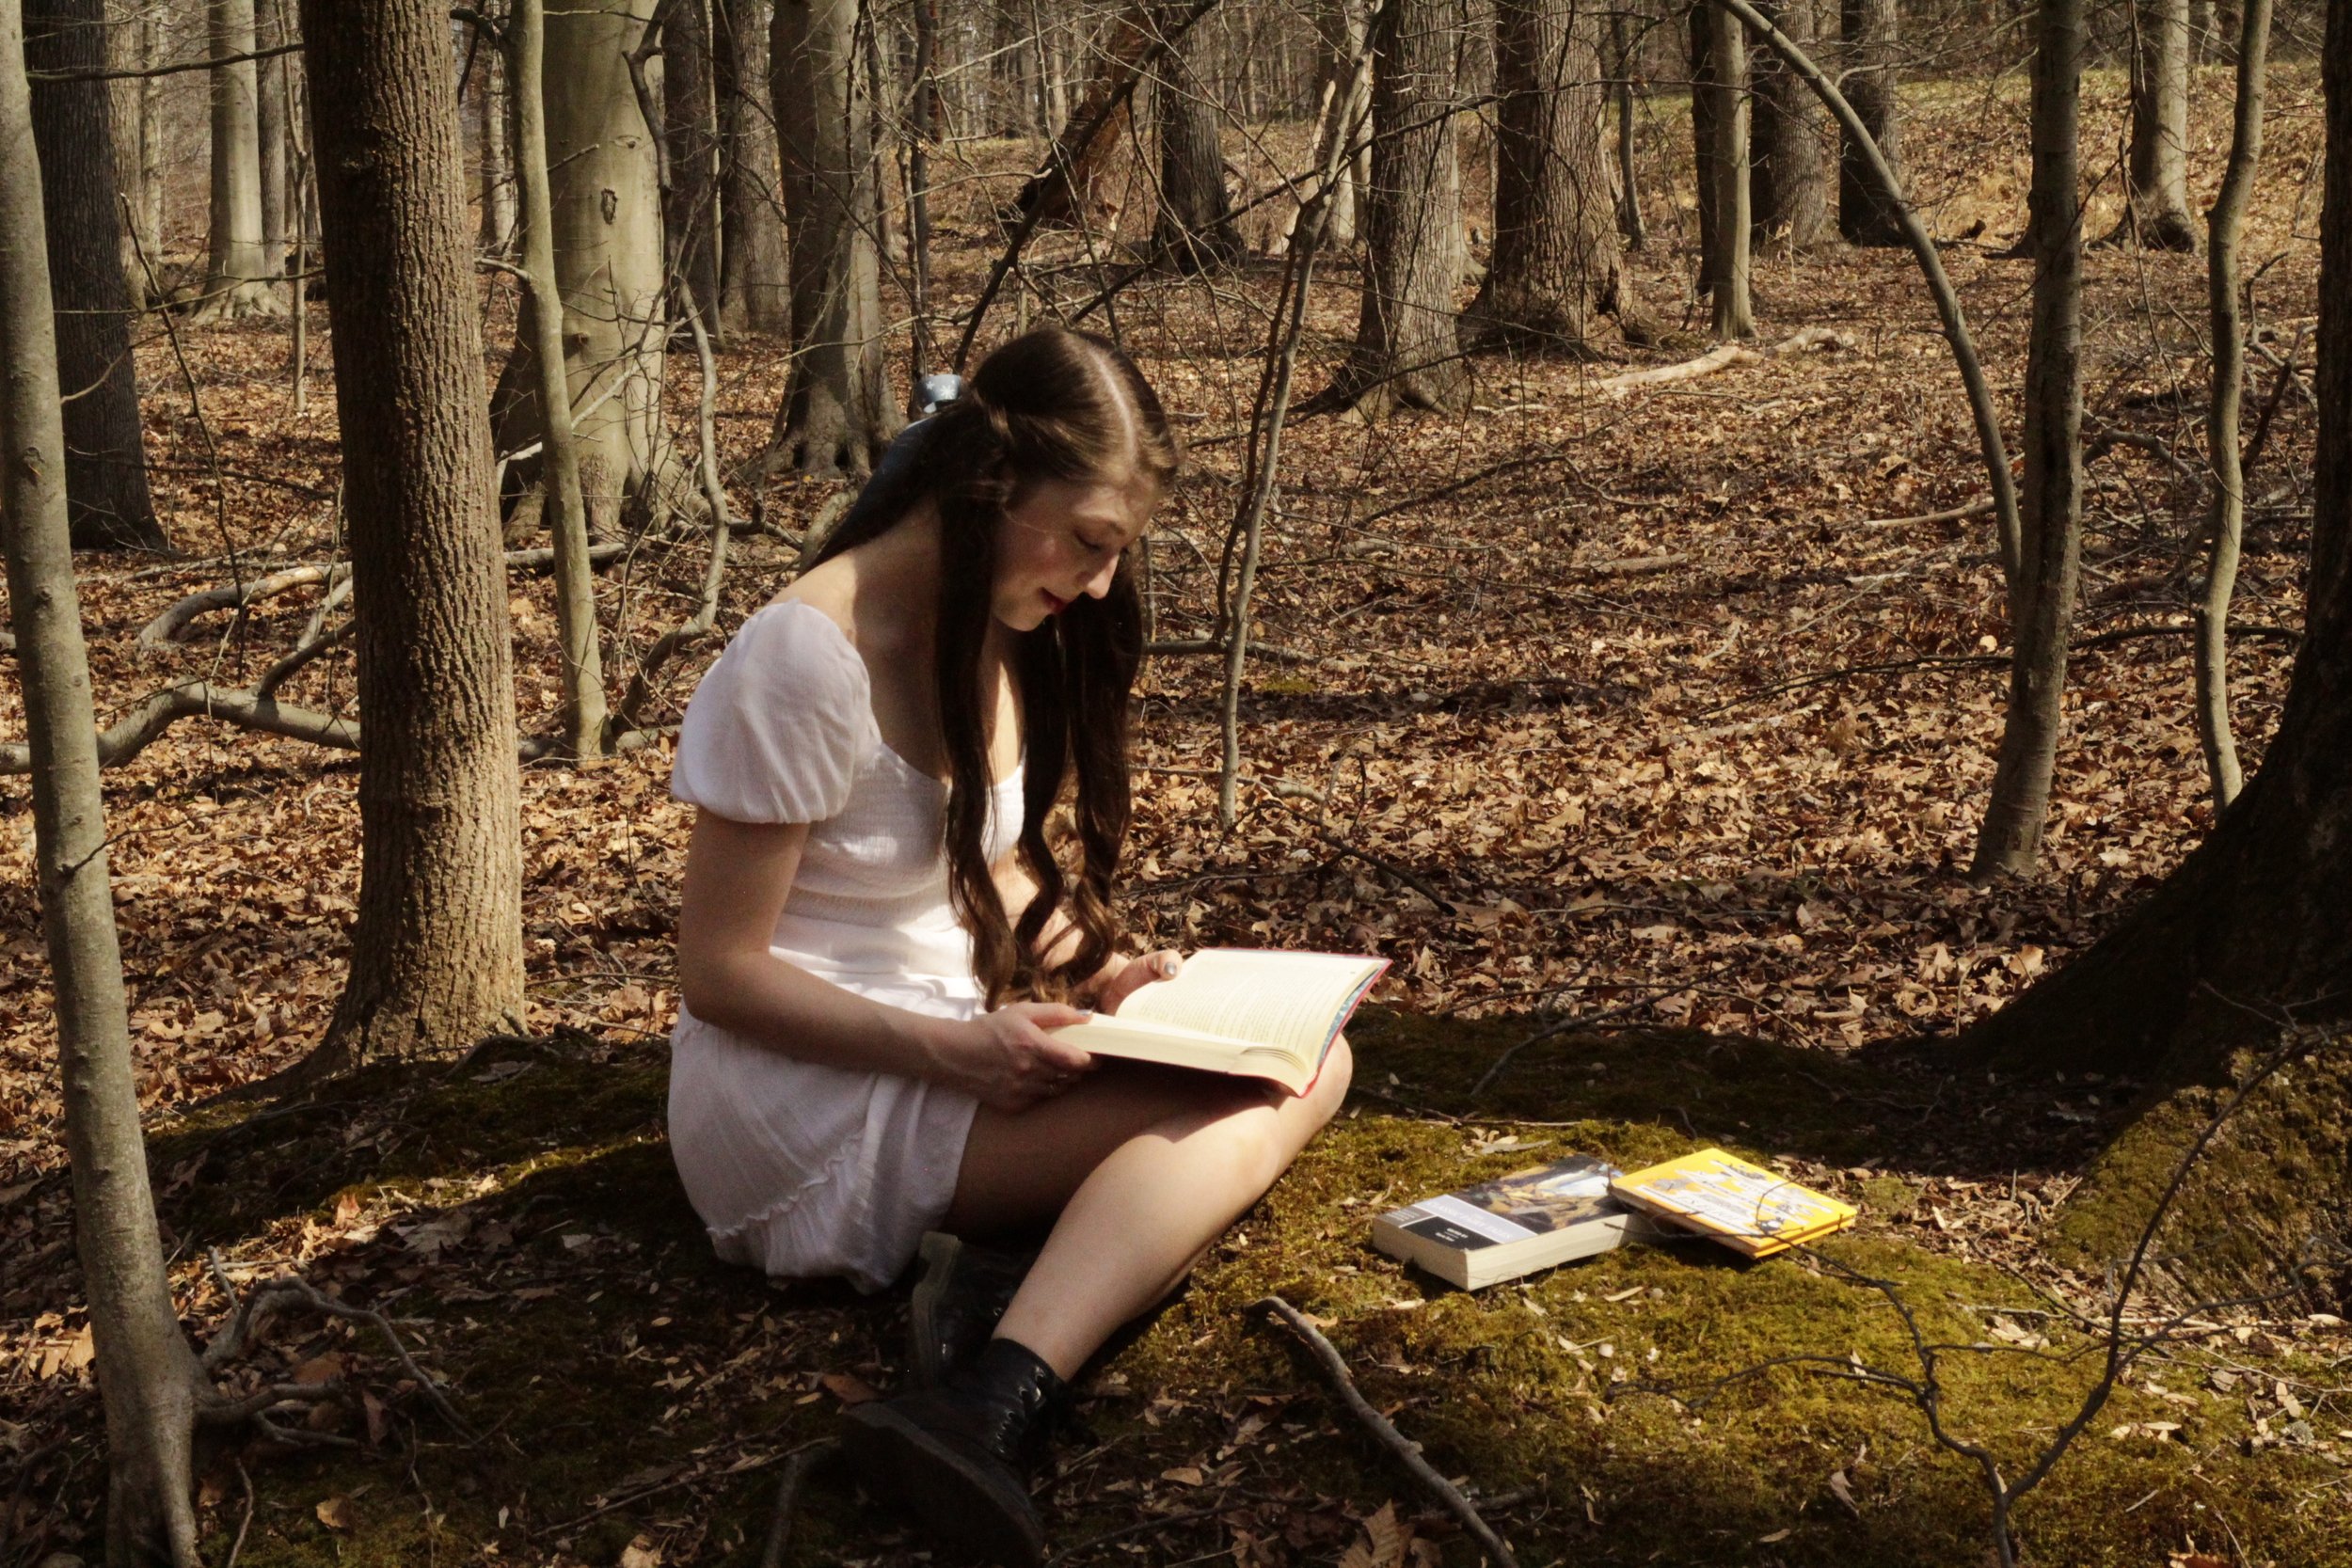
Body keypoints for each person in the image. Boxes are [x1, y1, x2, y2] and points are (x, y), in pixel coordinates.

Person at [666, 327, 1355, 1565]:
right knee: (1260, 1093)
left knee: (1304, 1056)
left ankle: (992, 1311)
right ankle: (988, 1399)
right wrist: (950, 1052)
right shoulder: (802, 661)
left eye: (1116, 554)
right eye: (1087, 542)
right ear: (990, 489)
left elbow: (989, 858)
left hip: (942, 1043)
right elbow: (718, 976)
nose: (1097, 587)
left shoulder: (984, 622)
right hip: (794, 1097)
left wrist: (1104, 970)